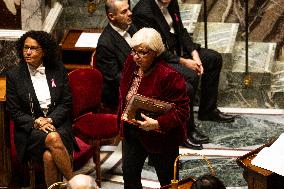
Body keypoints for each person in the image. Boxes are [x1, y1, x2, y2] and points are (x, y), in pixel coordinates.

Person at [96, 0, 206, 150]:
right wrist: (149, 81)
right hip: (131, 91)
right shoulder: (105, 43)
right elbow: (118, 80)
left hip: (149, 73)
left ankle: (186, 127)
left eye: (128, 9)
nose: (130, 13)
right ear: (111, 16)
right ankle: (182, 134)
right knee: (186, 89)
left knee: (189, 78)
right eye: (124, 12)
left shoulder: (133, 27)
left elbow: (154, 52)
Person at [132, 0, 236, 142]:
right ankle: (187, 128)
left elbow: (180, 30)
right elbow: (154, 49)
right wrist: (184, 62)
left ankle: (208, 110)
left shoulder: (171, 2)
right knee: (191, 77)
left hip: (179, 51)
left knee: (213, 58)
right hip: (161, 59)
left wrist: (194, 54)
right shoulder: (143, 11)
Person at [117, 27, 189, 188]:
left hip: (161, 137)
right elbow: (124, 93)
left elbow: (182, 110)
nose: (137, 57)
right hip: (133, 131)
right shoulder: (131, 62)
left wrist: (158, 124)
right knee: (129, 174)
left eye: (143, 52)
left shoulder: (168, 75)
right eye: (134, 51)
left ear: (155, 53)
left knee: (167, 181)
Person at [6, 30, 79, 187]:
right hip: (30, 131)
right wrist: (36, 122)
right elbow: (13, 110)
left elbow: (66, 102)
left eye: (33, 48)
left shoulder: (57, 69)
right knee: (53, 138)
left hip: (58, 124)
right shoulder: (14, 75)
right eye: (25, 48)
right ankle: (76, 183)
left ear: (44, 51)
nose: (28, 52)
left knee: (49, 156)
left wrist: (50, 119)